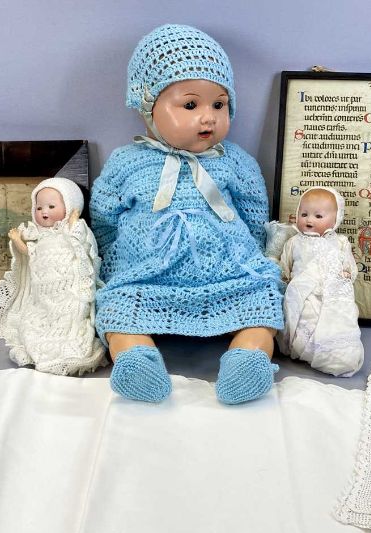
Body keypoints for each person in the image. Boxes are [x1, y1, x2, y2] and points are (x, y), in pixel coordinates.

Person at [90, 24, 284, 404]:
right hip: (147, 276)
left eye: (219, 105)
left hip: (229, 273)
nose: (208, 118)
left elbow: (253, 213)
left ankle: (248, 356)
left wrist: (254, 256)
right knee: (118, 306)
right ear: (147, 106)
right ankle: (135, 357)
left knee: (263, 300)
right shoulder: (127, 162)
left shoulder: (233, 160)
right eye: (191, 106)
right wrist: (114, 262)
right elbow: (105, 218)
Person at [0, 177, 107, 376]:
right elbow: (28, 253)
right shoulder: (38, 237)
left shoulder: (73, 232)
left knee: (71, 318)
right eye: (39, 207)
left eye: (51, 206)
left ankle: (64, 345)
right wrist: (17, 239)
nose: (44, 212)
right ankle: (37, 346)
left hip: (68, 293)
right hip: (42, 296)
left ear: (71, 206)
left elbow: (84, 251)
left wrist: (74, 224)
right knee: (33, 322)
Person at [275, 186, 364, 377]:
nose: (309, 220)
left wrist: (346, 273)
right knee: (306, 316)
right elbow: (285, 267)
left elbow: (349, 265)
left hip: (333, 290)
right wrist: (286, 281)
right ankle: (306, 350)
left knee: (339, 317)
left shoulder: (340, 242)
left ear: (335, 219)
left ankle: (338, 353)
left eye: (318, 216)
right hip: (304, 292)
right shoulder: (294, 242)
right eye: (304, 214)